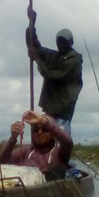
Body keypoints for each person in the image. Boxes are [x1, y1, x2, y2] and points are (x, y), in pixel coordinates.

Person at [26, 7, 83, 137]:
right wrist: (32, 23)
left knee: (61, 143)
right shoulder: (55, 56)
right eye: (59, 41)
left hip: (62, 111)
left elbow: (54, 76)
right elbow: (34, 46)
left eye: (64, 41)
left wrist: (37, 60)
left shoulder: (74, 59)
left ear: (71, 42)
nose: (61, 44)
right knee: (48, 142)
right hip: (51, 109)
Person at [0, 110, 72, 181]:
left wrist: (45, 122)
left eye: (45, 129)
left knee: (58, 171)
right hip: (23, 188)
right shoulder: (25, 151)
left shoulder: (59, 153)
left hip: (49, 191)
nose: (39, 132)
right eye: (36, 129)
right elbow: (2, 162)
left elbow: (68, 142)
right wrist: (13, 138)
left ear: (53, 134)